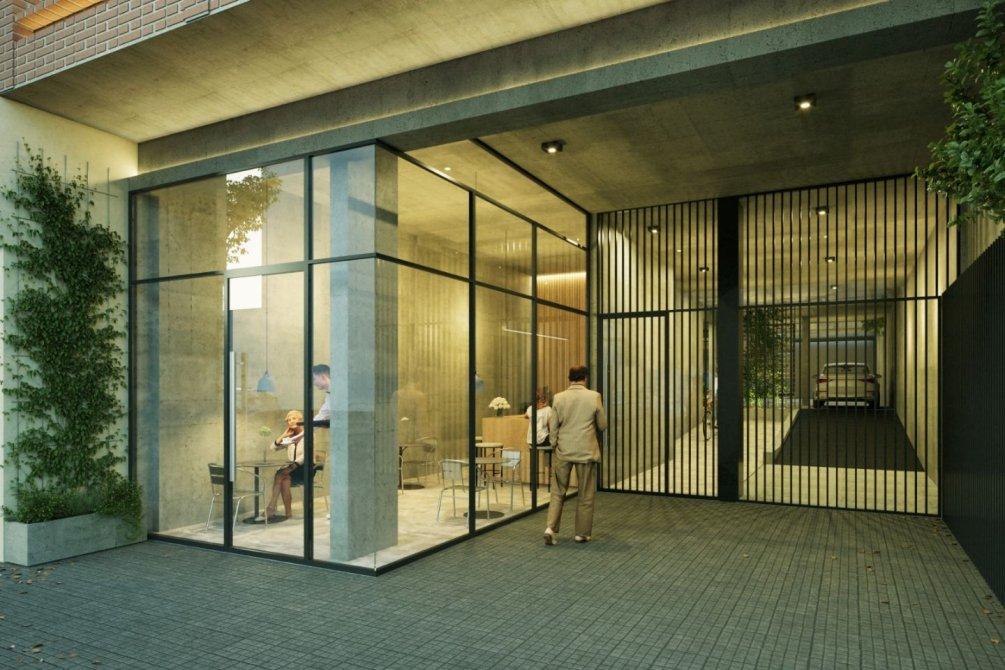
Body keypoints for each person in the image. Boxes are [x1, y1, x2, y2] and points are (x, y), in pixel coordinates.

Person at [543, 365, 607, 545]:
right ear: (585, 378)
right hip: (586, 452)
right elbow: (602, 425)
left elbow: (553, 426)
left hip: (563, 450)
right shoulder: (594, 396)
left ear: (569, 379)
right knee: (585, 494)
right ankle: (581, 534)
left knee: (558, 492)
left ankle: (550, 528)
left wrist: (554, 444)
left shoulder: (558, 397)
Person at [264, 410, 306, 522]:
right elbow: (273, 448)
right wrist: (284, 435)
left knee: (281, 474)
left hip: (305, 469)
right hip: (292, 470)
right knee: (284, 480)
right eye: (288, 420)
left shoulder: (308, 435)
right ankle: (288, 513)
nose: (291, 421)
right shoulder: (290, 438)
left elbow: (305, 456)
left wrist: (291, 467)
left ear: (300, 420)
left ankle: (271, 507)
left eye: (294, 418)